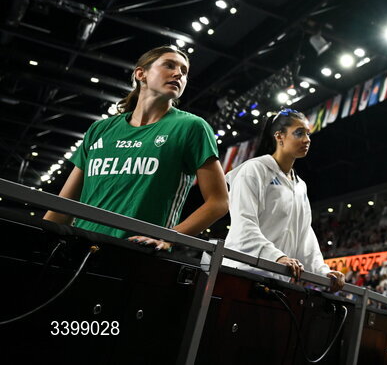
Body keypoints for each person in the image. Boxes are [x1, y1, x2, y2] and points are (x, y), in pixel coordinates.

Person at [44, 46, 228, 249]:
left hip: (138, 254)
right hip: (79, 248)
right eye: (169, 65)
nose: (178, 74)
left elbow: (218, 202)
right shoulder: (100, 129)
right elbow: (65, 204)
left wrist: (168, 238)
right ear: (141, 74)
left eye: (184, 72)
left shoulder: (191, 127)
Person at [223, 108, 344, 290]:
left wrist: (322, 271)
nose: (307, 139)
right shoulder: (253, 170)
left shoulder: (299, 185)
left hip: (276, 279)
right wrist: (276, 256)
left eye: (308, 134)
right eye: (299, 133)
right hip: (239, 272)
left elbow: (304, 234)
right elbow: (243, 223)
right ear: (279, 137)